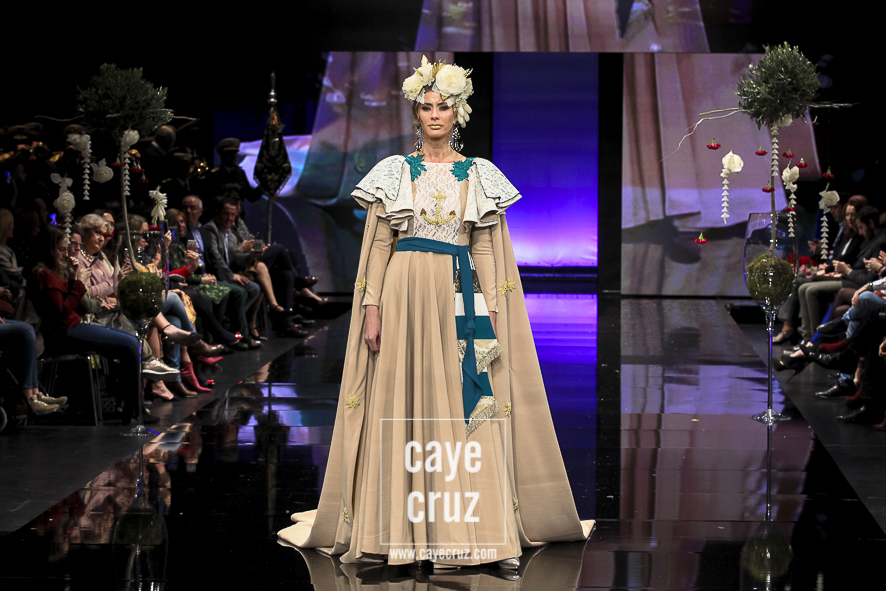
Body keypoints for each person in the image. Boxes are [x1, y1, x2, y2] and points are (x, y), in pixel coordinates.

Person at [278, 56, 593, 570]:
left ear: (457, 112)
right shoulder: (396, 172)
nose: (434, 115)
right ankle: (397, 530)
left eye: (443, 107)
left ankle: (476, 533)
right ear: (416, 114)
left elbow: (485, 248)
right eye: (426, 107)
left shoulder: (479, 174)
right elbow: (379, 245)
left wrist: (494, 308)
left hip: (458, 294)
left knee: (465, 405)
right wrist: (372, 307)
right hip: (402, 293)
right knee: (403, 400)